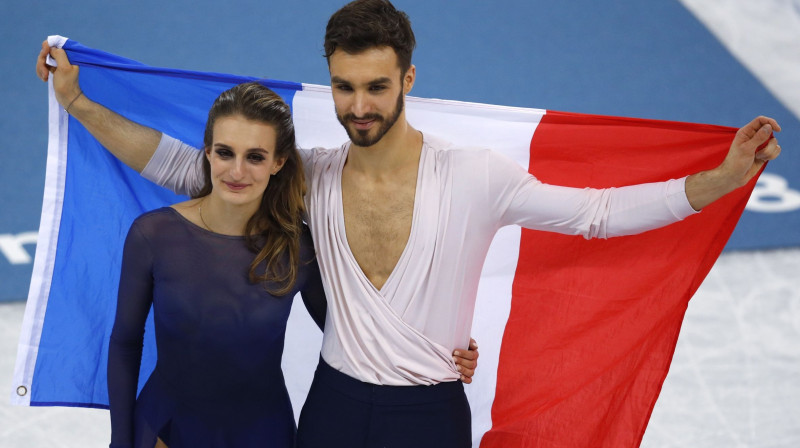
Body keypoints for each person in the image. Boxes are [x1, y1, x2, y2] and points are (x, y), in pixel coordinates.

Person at [37, 0, 782, 446]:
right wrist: (77, 103)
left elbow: (598, 213)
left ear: (409, 81)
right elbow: (180, 164)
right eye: (344, 86)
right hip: (328, 409)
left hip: (429, 419)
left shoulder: (476, 175)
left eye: (376, 87)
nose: (358, 105)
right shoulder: (309, 175)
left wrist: (715, 181)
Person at [106, 82, 326, 448]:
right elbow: (125, 343)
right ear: (208, 153)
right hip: (165, 430)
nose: (237, 172)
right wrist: (120, 443)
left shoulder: (297, 247)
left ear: (278, 162)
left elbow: (347, 338)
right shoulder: (154, 234)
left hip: (263, 435)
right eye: (226, 153)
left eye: (255, 156)